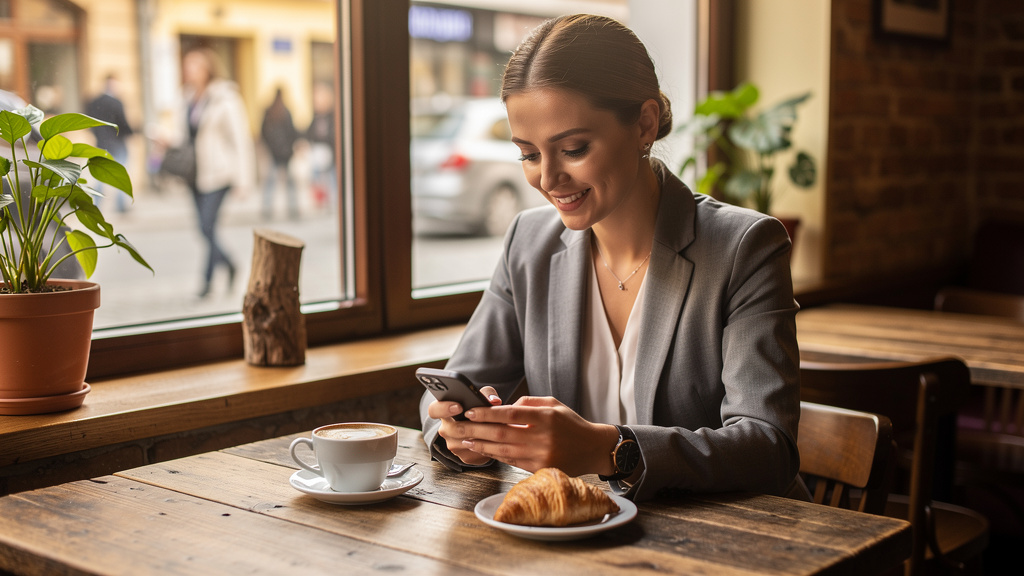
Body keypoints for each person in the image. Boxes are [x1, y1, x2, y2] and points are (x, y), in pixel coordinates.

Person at [420, 14, 803, 502]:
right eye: (529, 154)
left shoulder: (744, 246)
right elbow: (450, 392)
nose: (548, 179)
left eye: (573, 149)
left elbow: (769, 448)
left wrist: (610, 449)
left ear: (644, 124)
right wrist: (464, 437)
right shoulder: (528, 241)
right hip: (582, 541)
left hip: (732, 543)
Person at [179, 47, 255, 298]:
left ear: (208, 69)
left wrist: (244, 180)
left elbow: (240, 139)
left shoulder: (226, 97)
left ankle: (209, 281)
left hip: (220, 173)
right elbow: (190, 137)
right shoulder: (189, 98)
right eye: (187, 65)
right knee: (205, 229)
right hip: (196, 173)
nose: (189, 70)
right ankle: (227, 268)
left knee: (206, 226)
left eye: (194, 65)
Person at [85, 74, 134, 213]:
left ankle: (96, 205)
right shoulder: (116, 102)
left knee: (100, 175)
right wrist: (131, 132)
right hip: (117, 142)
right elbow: (123, 122)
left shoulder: (94, 102)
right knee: (120, 173)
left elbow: (89, 121)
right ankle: (121, 205)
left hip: (101, 142)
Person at [260, 86, 299, 219]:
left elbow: (263, 132)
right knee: (289, 183)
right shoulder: (285, 112)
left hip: (275, 152)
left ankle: (267, 210)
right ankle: (293, 210)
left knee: (271, 183)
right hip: (284, 152)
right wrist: (289, 147)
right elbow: (292, 132)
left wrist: (271, 148)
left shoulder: (269, 112)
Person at [305, 81, 336, 210]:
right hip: (318, 153)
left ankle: (334, 201)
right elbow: (309, 132)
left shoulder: (332, 116)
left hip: (331, 154)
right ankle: (321, 202)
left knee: (332, 179)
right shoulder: (316, 117)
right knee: (317, 179)